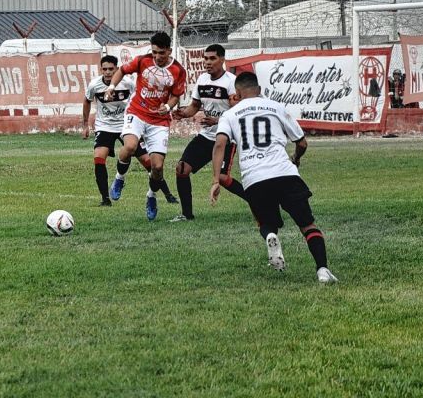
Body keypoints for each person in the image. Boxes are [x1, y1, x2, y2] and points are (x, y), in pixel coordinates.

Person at [210, 72, 338, 284]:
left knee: (265, 222)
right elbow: (302, 142)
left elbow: (220, 144)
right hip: (285, 173)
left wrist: (216, 180)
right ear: (259, 90)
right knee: (308, 225)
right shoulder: (276, 107)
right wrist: (295, 158)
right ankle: (323, 270)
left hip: (255, 179)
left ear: (238, 93)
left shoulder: (230, 114)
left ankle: (270, 236)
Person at [104, 32, 187, 221]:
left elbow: (175, 95)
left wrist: (167, 107)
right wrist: (111, 88)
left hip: (159, 120)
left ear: (169, 51)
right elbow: (122, 71)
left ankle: (151, 195)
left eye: (162, 53)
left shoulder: (178, 71)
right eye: (155, 52)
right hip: (137, 112)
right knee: (130, 147)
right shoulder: (142, 61)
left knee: (157, 167)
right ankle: (119, 178)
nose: (157, 57)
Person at [82, 55, 178, 206]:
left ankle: (168, 194)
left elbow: (140, 97)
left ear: (116, 68)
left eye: (111, 69)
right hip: (104, 126)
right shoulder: (94, 85)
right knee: (99, 158)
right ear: (101, 69)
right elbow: (87, 101)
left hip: (126, 124)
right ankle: (105, 199)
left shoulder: (127, 83)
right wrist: (85, 125)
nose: (107, 72)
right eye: (104, 69)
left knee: (149, 162)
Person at [170, 44, 246, 221]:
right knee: (182, 169)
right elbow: (195, 106)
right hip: (206, 136)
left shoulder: (231, 82)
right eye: (205, 58)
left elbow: (237, 113)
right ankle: (186, 215)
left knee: (222, 177)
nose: (207, 62)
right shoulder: (202, 79)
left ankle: (255, 200)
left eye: (212, 58)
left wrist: (218, 121)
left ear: (222, 59)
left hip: (227, 138)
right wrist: (183, 114)